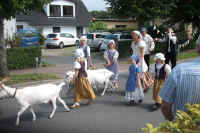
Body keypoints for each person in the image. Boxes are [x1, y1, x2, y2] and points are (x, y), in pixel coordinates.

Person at [159, 41, 200, 121]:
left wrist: (172, 120)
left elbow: (165, 106)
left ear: (198, 48)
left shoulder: (179, 71)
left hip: (181, 126)